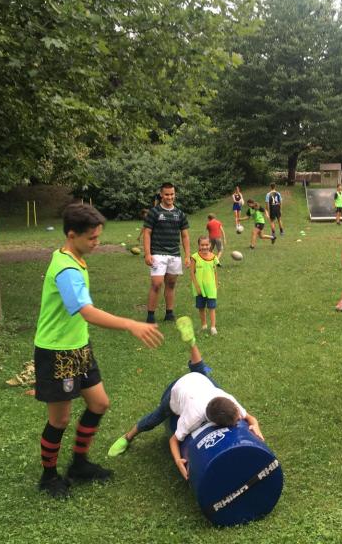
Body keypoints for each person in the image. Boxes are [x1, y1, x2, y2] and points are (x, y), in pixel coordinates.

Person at [33, 204, 164, 498]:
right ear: (71, 235)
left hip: (79, 348)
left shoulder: (73, 257)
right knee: (60, 420)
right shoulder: (67, 269)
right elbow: (87, 312)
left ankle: (78, 464)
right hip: (57, 352)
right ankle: (49, 476)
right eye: (91, 238)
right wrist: (131, 324)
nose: (97, 242)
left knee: (99, 404)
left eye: (97, 236)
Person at [107, 317, 264, 481]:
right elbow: (174, 440)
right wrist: (178, 461)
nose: (239, 418)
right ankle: (127, 437)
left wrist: (255, 425)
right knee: (156, 416)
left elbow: (250, 417)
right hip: (179, 390)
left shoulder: (227, 399)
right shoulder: (192, 417)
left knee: (200, 370)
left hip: (202, 383)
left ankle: (191, 342)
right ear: (214, 423)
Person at [143, 182, 191, 323]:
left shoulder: (180, 213)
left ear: (174, 195)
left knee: (171, 284)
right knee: (157, 283)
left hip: (174, 254)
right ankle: (150, 316)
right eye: (167, 194)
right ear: (161, 195)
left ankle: (169, 313)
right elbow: (147, 233)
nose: (169, 197)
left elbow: (185, 236)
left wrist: (187, 255)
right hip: (157, 253)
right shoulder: (154, 212)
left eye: (172, 194)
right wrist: (147, 253)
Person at [190, 235, 220, 335]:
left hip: (211, 287)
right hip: (199, 288)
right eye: (202, 245)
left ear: (210, 245)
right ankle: (204, 325)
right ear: (199, 245)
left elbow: (215, 272)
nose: (204, 247)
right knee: (201, 307)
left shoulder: (214, 258)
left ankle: (213, 327)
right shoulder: (194, 257)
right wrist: (197, 286)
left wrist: (216, 284)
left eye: (206, 245)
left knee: (212, 307)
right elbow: (192, 273)